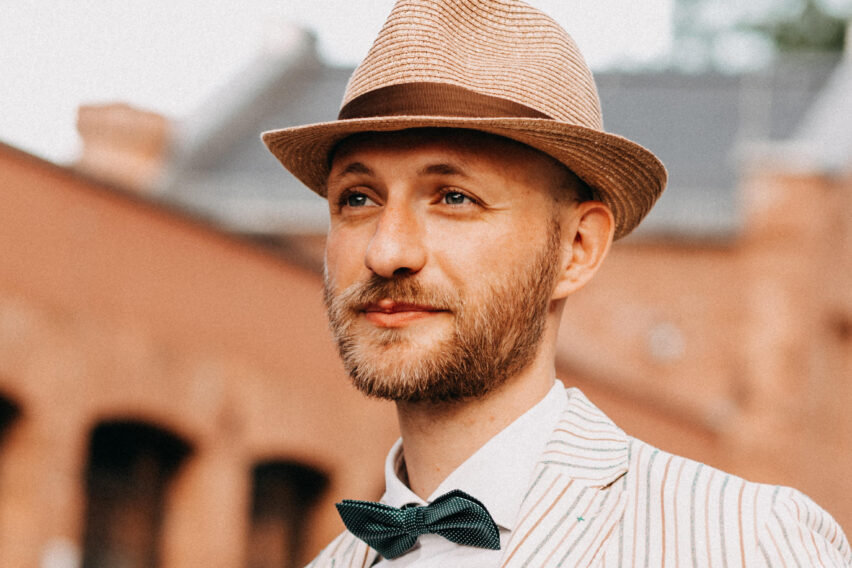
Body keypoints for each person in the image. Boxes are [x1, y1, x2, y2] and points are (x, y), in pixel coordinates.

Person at [262, 0, 851, 565]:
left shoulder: (744, 543)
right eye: (357, 198)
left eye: (455, 197)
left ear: (577, 248)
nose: (387, 251)